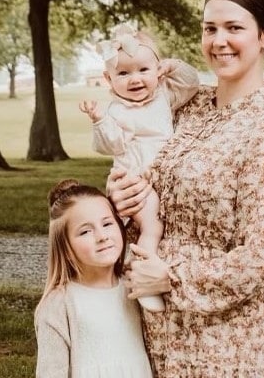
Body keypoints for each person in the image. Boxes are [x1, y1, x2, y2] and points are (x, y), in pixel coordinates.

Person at [106, 0, 264, 377]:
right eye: (210, 28)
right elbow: (145, 175)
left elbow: (261, 258)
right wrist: (120, 198)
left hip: (225, 348)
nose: (218, 40)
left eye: (234, 28)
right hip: (159, 341)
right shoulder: (187, 108)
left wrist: (172, 278)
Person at [79, 23, 199, 312]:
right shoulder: (115, 111)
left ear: (158, 71)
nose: (135, 79)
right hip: (136, 180)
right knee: (153, 225)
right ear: (108, 79)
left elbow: (191, 84)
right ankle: (142, 274)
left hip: (160, 176)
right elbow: (110, 145)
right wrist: (99, 120)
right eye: (123, 73)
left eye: (143, 70)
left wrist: (174, 66)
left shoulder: (164, 96)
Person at [34, 179, 153, 378]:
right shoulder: (58, 304)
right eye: (85, 231)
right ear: (66, 248)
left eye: (107, 224)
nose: (102, 236)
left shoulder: (135, 283)